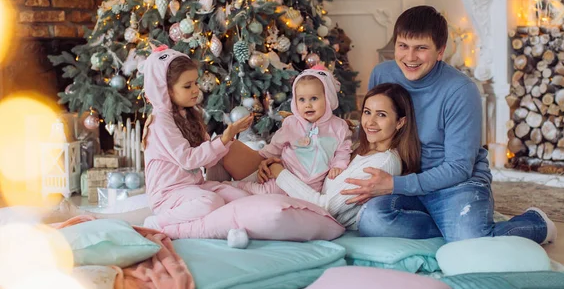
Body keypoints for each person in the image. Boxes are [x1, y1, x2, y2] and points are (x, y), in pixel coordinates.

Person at [346, 5, 557, 244]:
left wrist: (394, 184)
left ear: (440, 51)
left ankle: (535, 223)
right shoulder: (382, 74)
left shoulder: (461, 90)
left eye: (421, 48)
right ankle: (451, 227)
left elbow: (459, 168)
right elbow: (372, 130)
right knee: (372, 220)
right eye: (403, 46)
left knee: (470, 240)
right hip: (403, 177)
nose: (410, 57)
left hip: (455, 183)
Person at [260, 83, 419, 229]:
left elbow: (326, 206)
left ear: (400, 122)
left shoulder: (381, 164)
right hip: (300, 204)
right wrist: (278, 163)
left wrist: (280, 173)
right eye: (367, 112)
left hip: (320, 221)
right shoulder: (357, 147)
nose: (370, 122)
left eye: (381, 115)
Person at [142, 46, 254, 229]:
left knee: (241, 198)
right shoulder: (161, 122)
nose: (195, 90)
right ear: (165, 90)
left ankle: (228, 224)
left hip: (193, 187)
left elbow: (208, 161)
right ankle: (156, 223)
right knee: (211, 202)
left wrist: (230, 136)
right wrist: (223, 140)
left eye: (195, 83)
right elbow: (188, 160)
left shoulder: (190, 114)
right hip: (168, 195)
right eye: (187, 86)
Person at [230, 66, 352, 195]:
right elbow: (275, 146)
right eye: (302, 99)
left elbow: (343, 150)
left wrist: (338, 166)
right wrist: (264, 161)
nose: (308, 105)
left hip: (314, 184)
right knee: (267, 191)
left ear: (328, 98)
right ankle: (235, 187)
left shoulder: (339, 126)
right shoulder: (292, 124)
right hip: (286, 175)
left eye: (314, 98)